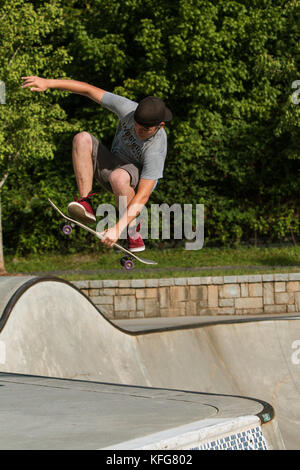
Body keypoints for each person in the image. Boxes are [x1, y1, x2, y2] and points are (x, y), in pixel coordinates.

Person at [21, 76, 172, 252]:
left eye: (145, 130)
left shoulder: (156, 149)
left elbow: (143, 195)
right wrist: (48, 83)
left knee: (119, 177)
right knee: (82, 138)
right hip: (113, 164)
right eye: (137, 126)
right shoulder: (128, 109)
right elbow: (88, 89)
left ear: (160, 126)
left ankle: (133, 229)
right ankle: (85, 202)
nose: (139, 132)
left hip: (133, 181)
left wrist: (117, 228)